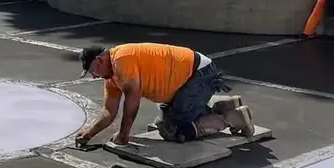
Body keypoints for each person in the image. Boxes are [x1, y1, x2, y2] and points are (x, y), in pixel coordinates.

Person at [74, 43, 256, 147]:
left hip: (197, 74)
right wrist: (89, 133)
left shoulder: (121, 59)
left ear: (99, 60)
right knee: (162, 125)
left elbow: (132, 101)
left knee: (175, 132)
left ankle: (233, 117)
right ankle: (223, 105)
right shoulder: (111, 77)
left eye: (92, 70)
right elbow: (109, 111)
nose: (93, 76)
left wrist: (124, 135)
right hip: (185, 82)